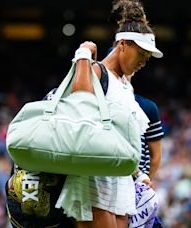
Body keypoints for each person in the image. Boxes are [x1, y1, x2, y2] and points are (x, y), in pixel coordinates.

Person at [54, 0, 163, 227]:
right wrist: (83, 55)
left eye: (147, 58)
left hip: (120, 180)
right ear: (123, 44)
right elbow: (80, 102)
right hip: (94, 177)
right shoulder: (97, 70)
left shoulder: (125, 85)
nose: (144, 62)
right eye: (141, 54)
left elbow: (126, 139)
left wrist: (138, 175)